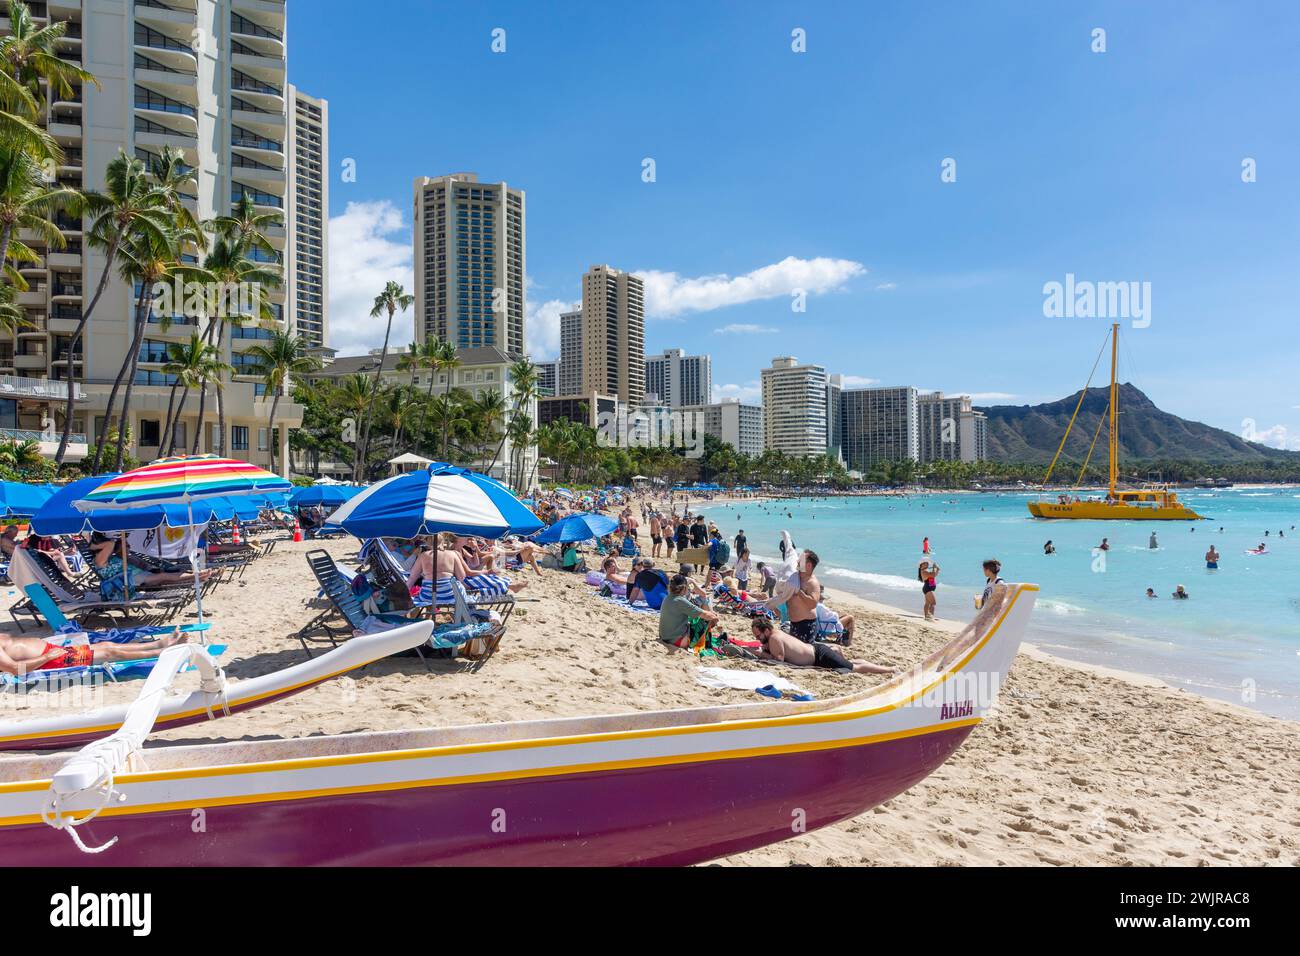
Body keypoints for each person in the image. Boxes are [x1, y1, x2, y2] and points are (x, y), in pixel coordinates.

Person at [0, 628, 189, 677]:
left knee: (106, 644)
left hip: (52, 652)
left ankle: (158, 644)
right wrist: (47, 657)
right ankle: (160, 651)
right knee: (108, 652)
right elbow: (14, 669)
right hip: (51, 660)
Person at [750, 617, 894, 675]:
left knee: (854, 669)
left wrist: (761, 654)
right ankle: (884, 668)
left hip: (819, 656)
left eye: (758, 635)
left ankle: (890, 669)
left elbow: (779, 660)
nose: (757, 638)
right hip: (816, 653)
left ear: (767, 630)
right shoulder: (775, 635)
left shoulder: (775, 638)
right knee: (851, 664)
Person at [658, 574, 719, 647]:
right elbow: (705, 615)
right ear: (684, 588)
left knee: (696, 619)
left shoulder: (668, 597)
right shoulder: (680, 600)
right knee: (705, 621)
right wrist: (715, 618)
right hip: (677, 641)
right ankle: (706, 643)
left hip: (664, 637)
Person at [785, 549, 823, 643]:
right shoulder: (796, 577)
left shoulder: (812, 583)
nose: (798, 562)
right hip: (794, 623)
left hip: (806, 624)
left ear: (808, 565)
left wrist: (799, 592)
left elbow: (813, 604)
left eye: (801, 560)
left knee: (803, 655)